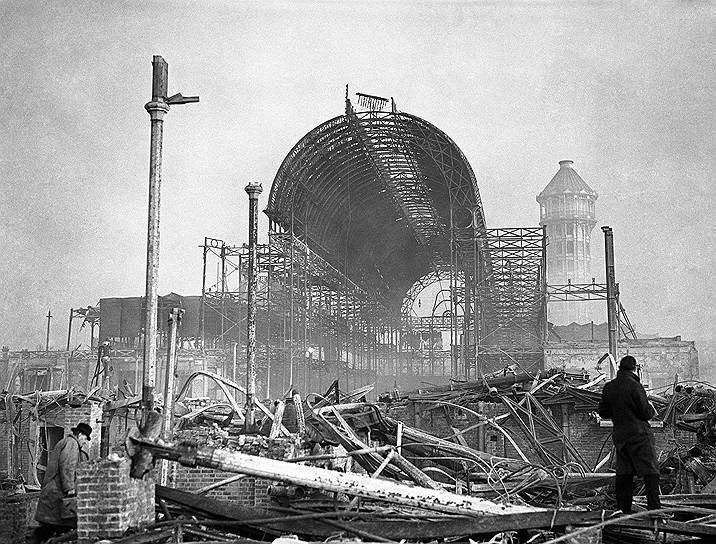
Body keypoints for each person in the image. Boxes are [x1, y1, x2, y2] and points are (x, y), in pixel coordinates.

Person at [598, 355, 661, 515]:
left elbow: (603, 412)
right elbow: (645, 413)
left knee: (624, 474)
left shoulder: (609, 387)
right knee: (651, 471)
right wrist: (652, 409)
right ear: (634, 368)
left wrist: (619, 413)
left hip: (621, 437)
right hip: (640, 436)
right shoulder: (635, 386)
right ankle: (653, 510)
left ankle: (624, 511)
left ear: (620, 368)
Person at [33, 422, 92, 542]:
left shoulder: (69, 442)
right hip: (56, 494)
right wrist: (69, 488)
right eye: (85, 438)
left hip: (54, 493)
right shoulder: (71, 444)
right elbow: (67, 466)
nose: (85, 442)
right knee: (53, 526)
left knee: (52, 526)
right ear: (80, 434)